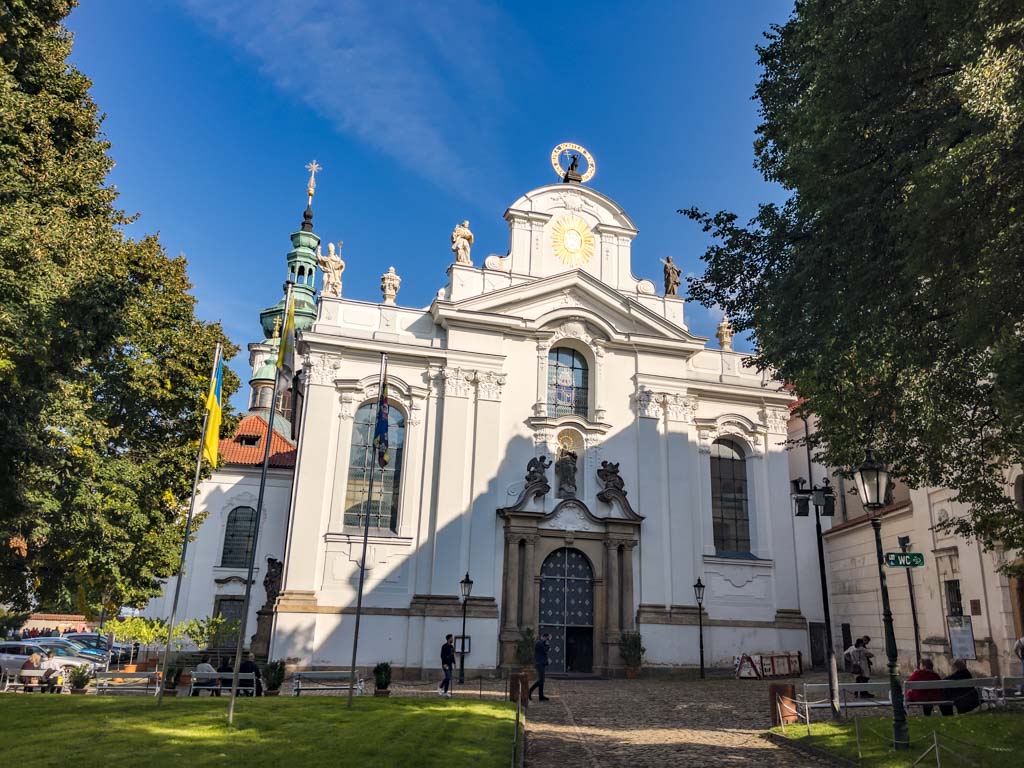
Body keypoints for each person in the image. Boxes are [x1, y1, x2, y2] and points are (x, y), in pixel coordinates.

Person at [528, 632, 551, 702]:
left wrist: (547, 644)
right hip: (539, 664)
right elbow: (545, 650)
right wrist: (547, 644)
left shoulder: (542, 643)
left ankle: (541, 696)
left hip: (542, 663)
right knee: (541, 680)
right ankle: (529, 692)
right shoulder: (539, 643)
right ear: (544, 637)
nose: (547, 640)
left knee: (542, 681)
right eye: (547, 638)